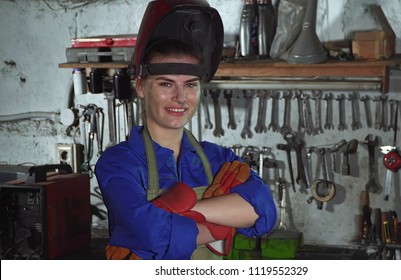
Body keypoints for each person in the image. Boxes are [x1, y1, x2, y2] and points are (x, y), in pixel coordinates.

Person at [95, 0, 277, 260]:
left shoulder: (219, 159)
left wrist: (180, 211)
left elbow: (263, 211)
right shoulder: (119, 164)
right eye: (166, 84)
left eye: (190, 84)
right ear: (141, 87)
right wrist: (221, 224)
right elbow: (151, 233)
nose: (180, 97)